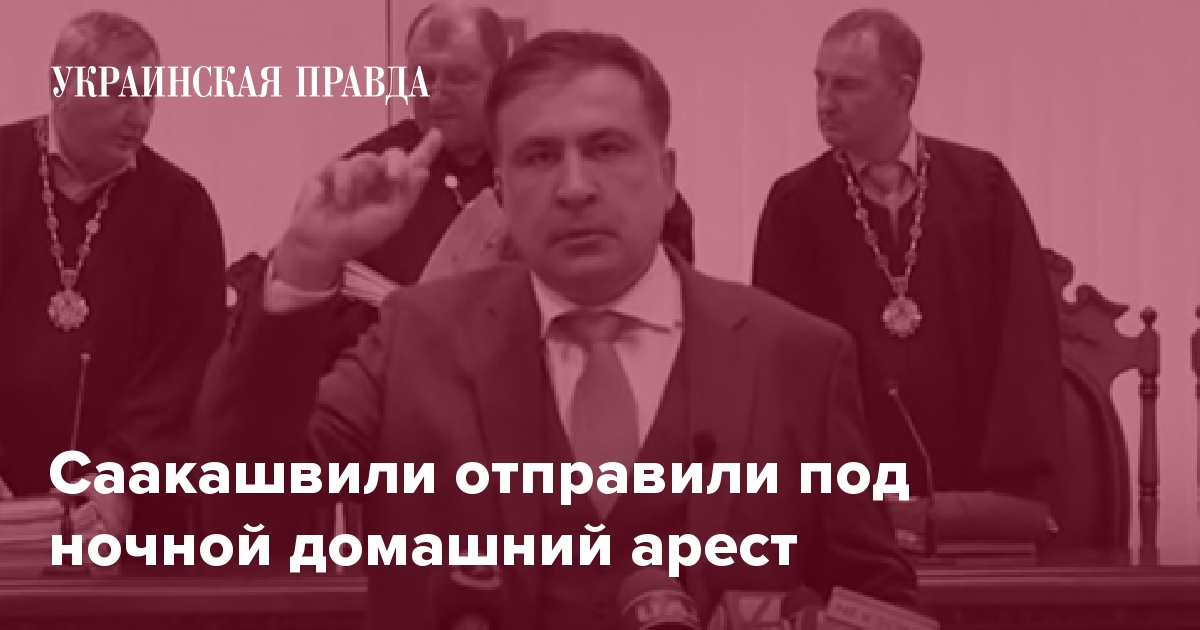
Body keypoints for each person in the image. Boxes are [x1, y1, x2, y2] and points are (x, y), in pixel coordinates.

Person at [196, 29, 919, 628]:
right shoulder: (413, 338)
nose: (574, 187)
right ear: (501, 191)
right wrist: (305, 267)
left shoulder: (796, 356)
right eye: (539, 157)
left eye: (606, 148)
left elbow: (877, 596)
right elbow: (245, 519)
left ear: (667, 175)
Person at [752, 9, 1063, 502]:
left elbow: (1024, 337)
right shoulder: (796, 204)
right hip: (849, 486)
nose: (824, 103)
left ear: (904, 91)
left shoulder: (983, 187)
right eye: (819, 82)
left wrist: (1013, 482)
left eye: (846, 86)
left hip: (973, 482)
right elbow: (781, 361)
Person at [305, 2, 696, 367]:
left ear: (499, 77)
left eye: (459, 78)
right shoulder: (376, 171)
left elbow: (670, 253)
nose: (436, 95)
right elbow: (320, 309)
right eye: (423, 78)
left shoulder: (547, 149)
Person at [0, 12, 226, 547]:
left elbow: (187, 362)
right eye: (122, 94)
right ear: (61, 87)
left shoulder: (181, 207)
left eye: (149, 97)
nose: (139, 117)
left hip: (125, 502)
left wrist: (120, 474)